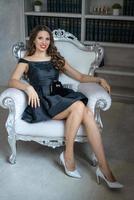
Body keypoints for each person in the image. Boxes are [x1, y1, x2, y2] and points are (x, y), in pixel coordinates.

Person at [8, 25, 123, 189]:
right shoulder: (26, 60)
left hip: (59, 96)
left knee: (87, 113)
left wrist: (99, 80)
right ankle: (70, 158)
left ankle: (104, 169)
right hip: (43, 102)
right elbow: (12, 81)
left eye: (47, 39)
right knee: (79, 107)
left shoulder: (55, 58)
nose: (44, 42)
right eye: (40, 38)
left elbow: (80, 77)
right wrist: (28, 87)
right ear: (33, 39)